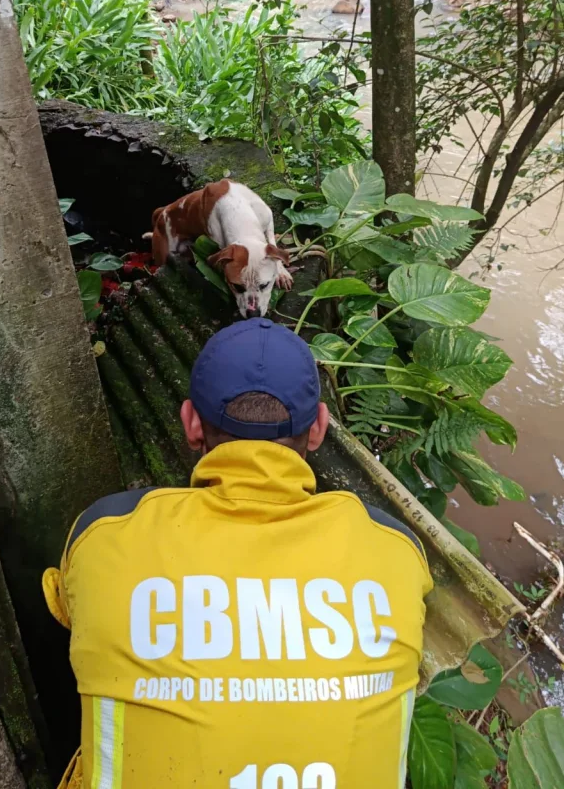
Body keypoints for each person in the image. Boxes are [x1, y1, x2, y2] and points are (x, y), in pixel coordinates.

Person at [43, 318, 433, 789]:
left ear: (190, 424)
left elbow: (65, 607)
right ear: (318, 430)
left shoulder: (104, 532)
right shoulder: (393, 550)